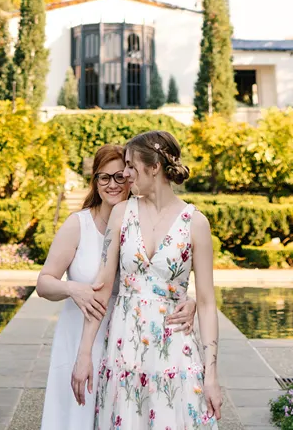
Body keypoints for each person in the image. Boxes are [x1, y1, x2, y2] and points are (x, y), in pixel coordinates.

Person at [36, 142, 197, 430]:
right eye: (103, 177)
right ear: (94, 181)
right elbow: (44, 283)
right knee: (76, 419)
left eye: (119, 176)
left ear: (130, 176)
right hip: (81, 336)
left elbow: (159, 276)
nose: (112, 184)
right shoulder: (78, 225)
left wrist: (190, 301)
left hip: (128, 341)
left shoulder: (138, 222)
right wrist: (73, 289)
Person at [70, 129, 222, 428]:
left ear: (154, 168)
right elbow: (102, 289)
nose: (125, 174)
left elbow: (206, 303)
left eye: (130, 166)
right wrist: (84, 354)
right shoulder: (121, 213)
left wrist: (212, 375)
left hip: (175, 352)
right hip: (124, 351)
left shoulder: (196, 223)